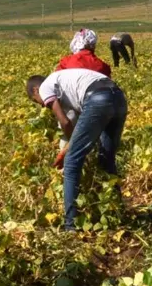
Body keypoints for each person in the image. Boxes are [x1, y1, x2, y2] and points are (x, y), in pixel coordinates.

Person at [26, 69, 128, 230]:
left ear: (35, 90)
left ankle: (70, 225)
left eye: (36, 101)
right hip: (118, 97)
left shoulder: (45, 87)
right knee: (106, 158)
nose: (42, 105)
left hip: (97, 98)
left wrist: (70, 149)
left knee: (72, 162)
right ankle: (118, 213)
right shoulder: (63, 83)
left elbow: (66, 123)